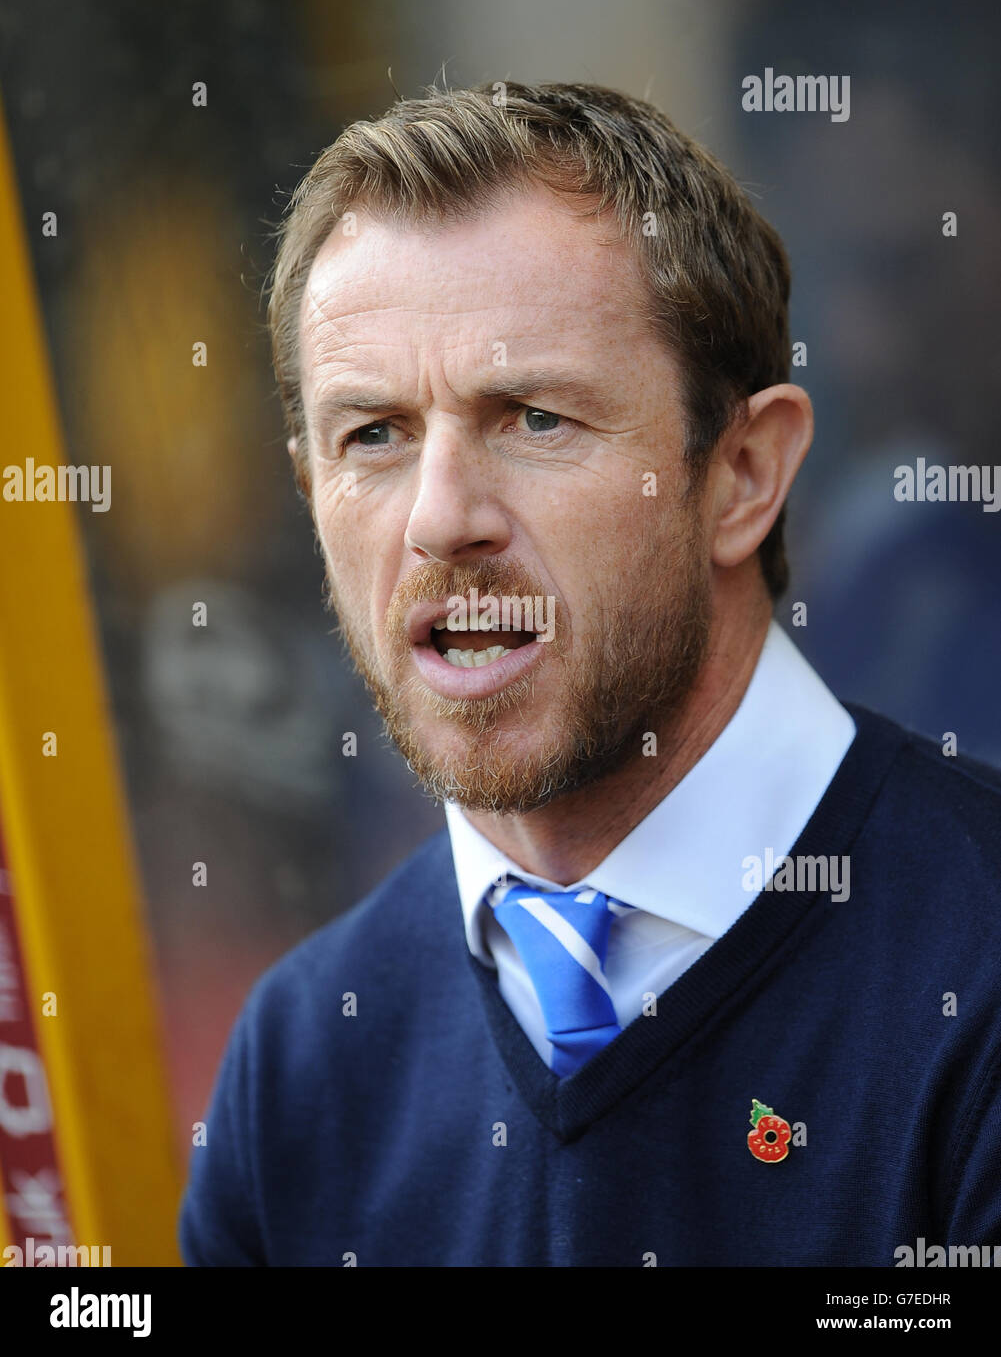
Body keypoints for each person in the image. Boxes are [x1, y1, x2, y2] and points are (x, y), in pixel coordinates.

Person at [179, 81, 1001, 1267]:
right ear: (311, 492)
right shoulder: (300, 1063)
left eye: (533, 417)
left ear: (743, 475)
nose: (440, 517)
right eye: (374, 434)